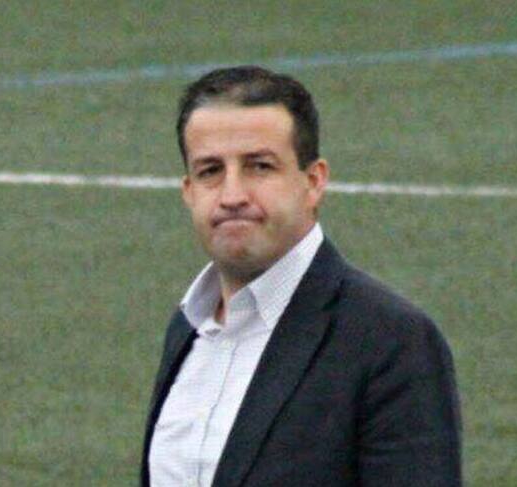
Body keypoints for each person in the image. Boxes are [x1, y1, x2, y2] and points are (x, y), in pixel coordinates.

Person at [140, 66, 462, 487]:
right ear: (188, 191)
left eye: (259, 166)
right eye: (210, 171)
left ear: (313, 182)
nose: (232, 195)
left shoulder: (390, 340)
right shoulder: (189, 328)